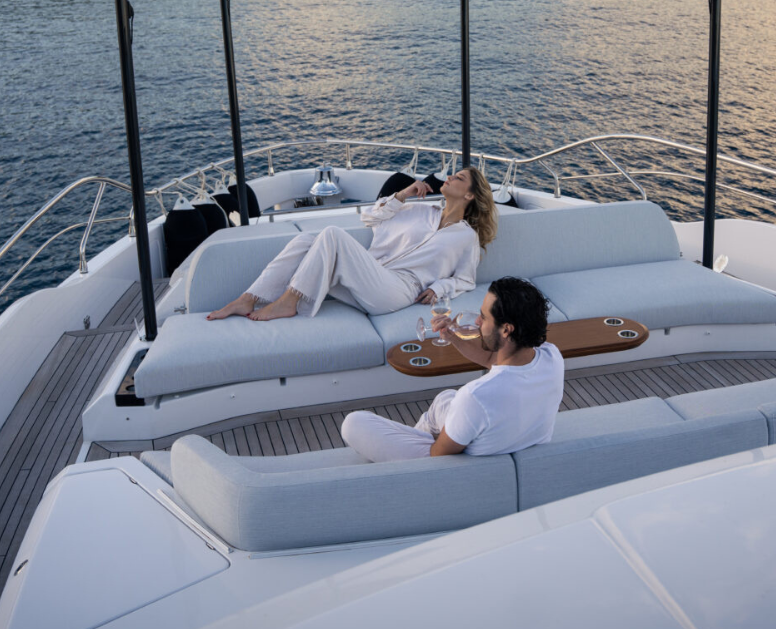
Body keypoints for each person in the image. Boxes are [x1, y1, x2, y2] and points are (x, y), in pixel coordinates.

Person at [206, 167, 498, 322]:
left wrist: (439, 288)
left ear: (470, 195)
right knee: (305, 240)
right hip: (368, 276)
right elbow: (370, 217)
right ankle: (249, 298)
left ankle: (288, 302)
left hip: (398, 290)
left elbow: (465, 280)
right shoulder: (419, 210)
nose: (450, 177)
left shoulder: (466, 237)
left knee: (332, 234)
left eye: (459, 178)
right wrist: (402, 195)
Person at [340, 277, 564, 462]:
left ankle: (406, 460)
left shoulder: (476, 396)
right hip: (515, 437)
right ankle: (418, 433)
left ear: (506, 330)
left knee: (353, 423)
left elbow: (438, 454)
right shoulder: (551, 357)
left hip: (452, 466)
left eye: (484, 317)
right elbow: (492, 359)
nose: (477, 322)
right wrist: (452, 336)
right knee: (445, 399)